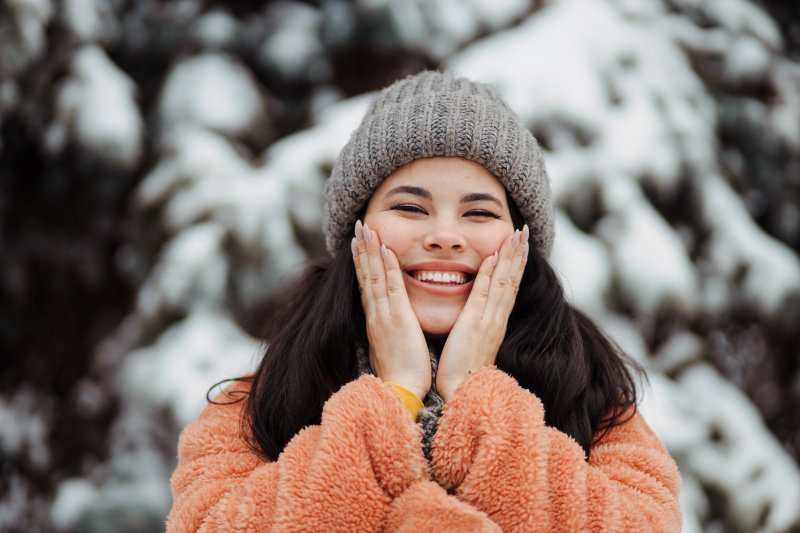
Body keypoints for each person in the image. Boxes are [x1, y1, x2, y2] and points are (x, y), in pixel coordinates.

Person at [166, 71, 682, 532]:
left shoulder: (593, 403)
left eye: (479, 213)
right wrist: (393, 400)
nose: (444, 236)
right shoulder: (256, 406)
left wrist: (475, 400)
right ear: (358, 232)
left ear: (521, 244)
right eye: (410, 207)